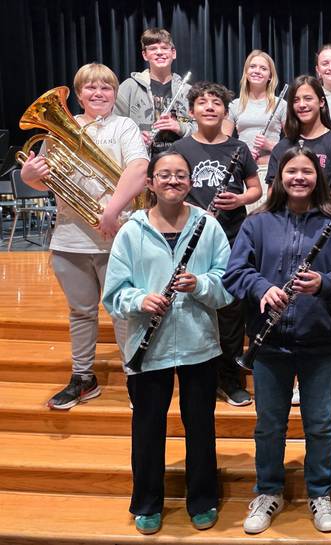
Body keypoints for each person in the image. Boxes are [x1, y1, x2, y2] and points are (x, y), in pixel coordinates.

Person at [224, 146, 331, 535]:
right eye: (291, 171)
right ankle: (268, 490)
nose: (299, 177)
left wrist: (324, 283)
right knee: (269, 425)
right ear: (279, 177)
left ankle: (320, 492)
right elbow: (234, 274)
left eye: (306, 171)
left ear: (317, 177)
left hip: (320, 342)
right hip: (269, 345)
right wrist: (262, 288)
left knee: (319, 424)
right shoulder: (258, 223)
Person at [102, 151, 232, 535]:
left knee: (200, 425)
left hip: (198, 342)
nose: (172, 181)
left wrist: (201, 284)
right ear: (151, 183)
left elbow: (226, 283)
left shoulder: (208, 227)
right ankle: (147, 502)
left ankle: (203, 498)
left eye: (180, 175)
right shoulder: (131, 231)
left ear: (190, 182)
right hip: (148, 342)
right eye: (164, 175)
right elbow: (114, 292)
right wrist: (139, 300)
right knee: (146, 427)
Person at [20, 62, 149, 409]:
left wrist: (111, 211)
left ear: (114, 93)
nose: (98, 93)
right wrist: (29, 174)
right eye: (90, 88)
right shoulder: (62, 128)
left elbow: (138, 169)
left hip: (117, 233)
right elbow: (43, 179)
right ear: (78, 95)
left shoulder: (124, 125)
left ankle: (134, 374)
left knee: (123, 311)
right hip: (69, 238)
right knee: (80, 312)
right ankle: (82, 377)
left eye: (106, 88)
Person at [170, 81, 262, 407]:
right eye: (202, 102)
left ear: (226, 111)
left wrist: (239, 199)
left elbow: (256, 189)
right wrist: (191, 208)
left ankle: (228, 375)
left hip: (233, 236)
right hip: (192, 238)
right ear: (192, 111)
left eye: (216, 103)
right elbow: (170, 190)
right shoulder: (179, 148)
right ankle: (198, 375)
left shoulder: (239, 148)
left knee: (231, 309)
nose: (209, 107)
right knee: (195, 304)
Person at [267, 75, 331, 207]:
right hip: (287, 222)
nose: (302, 105)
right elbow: (273, 195)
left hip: (323, 221)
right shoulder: (281, 147)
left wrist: (310, 218)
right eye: (296, 100)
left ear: (321, 102)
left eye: (308, 98)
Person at [223, 49, 288, 212]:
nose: (257, 71)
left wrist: (271, 145)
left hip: (271, 170)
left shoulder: (281, 104)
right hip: (244, 173)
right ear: (246, 72)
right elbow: (224, 142)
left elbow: (293, 144)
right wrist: (243, 154)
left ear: (270, 76)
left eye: (263, 68)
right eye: (253, 66)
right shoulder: (235, 105)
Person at [114, 27, 193, 151]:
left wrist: (180, 127)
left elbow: (202, 129)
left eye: (165, 48)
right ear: (145, 55)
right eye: (153, 48)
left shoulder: (188, 90)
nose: (159, 52)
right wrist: (133, 137)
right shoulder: (129, 86)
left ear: (173, 53)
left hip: (181, 161)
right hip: (142, 160)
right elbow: (114, 124)